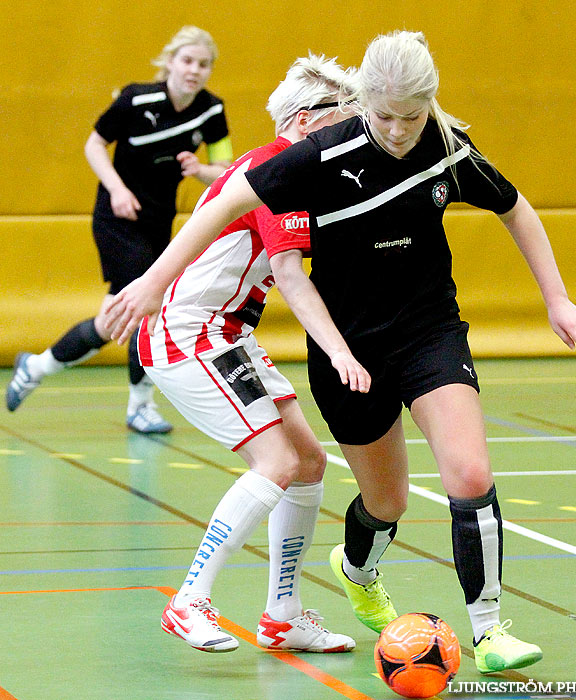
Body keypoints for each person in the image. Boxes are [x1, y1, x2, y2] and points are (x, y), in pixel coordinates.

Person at [103, 30, 576, 673]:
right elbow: (260, 237)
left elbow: (514, 206)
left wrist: (557, 300)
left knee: (435, 473)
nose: (396, 131)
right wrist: (149, 282)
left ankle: (479, 629)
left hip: (424, 329)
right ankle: (217, 594)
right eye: (380, 115)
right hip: (272, 336)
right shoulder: (309, 159)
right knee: (358, 490)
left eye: (412, 116)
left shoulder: (446, 148)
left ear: (430, 106)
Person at [124, 54, 358, 654]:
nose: (356, 132)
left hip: (228, 332)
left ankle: (282, 614)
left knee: (308, 461)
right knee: (276, 461)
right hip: (189, 329)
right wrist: (338, 351)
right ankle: (187, 602)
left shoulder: (283, 169)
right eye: (347, 119)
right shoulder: (279, 172)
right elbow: (290, 273)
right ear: (307, 122)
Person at [6, 25, 233, 434]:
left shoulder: (211, 111)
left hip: (159, 223)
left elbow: (225, 171)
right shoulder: (136, 98)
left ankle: (37, 365)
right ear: (169, 61)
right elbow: (94, 144)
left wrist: (201, 171)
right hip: (117, 218)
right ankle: (139, 406)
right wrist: (116, 189)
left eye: (203, 64)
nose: (193, 70)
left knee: (115, 315)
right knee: (149, 304)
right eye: (186, 60)